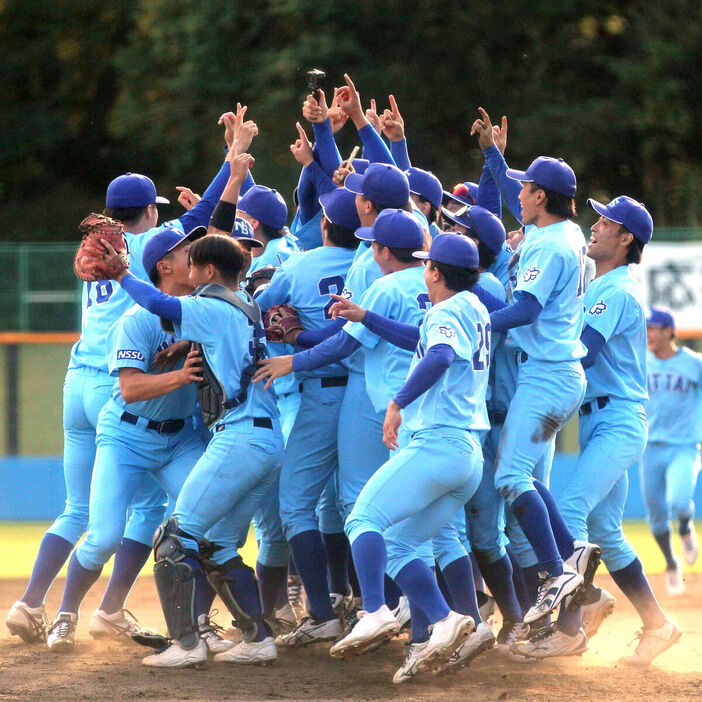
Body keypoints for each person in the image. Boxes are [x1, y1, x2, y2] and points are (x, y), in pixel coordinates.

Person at [5, 119, 236, 643]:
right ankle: (106, 608)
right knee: (150, 506)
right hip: (120, 384)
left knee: (77, 509)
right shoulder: (150, 245)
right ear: (150, 212)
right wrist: (232, 157)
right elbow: (201, 217)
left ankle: (32, 602)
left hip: (77, 381)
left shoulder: (101, 250)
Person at [514, 196, 682, 666]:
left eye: (606, 221)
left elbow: (582, 354)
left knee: (570, 509)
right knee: (606, 530)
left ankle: (569, 628)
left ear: (626, 239)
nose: (595, 224)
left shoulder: (616, 289)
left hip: (618, 418)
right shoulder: (602, 281)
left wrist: (526, 334)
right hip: (601, 417)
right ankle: (658, 626)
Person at [324, 233, 491, 679]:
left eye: (427, 264)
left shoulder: (445, 311)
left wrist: (398, 401)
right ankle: (446, 618)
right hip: (467, 455)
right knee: (399, 546)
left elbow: (436, 354)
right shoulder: (472, 308)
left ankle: (375, 610)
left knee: (361, 519)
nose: (424, 269)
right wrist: (367, 317)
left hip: (438, 444)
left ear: (435, 272)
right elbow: (421, 338)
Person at [45, 226, 215, 652]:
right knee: (102, 535)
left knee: (209, 522)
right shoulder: (135, 320)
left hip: (181, 440)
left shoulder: (200, 309)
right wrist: (181, 373)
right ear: (164, 266)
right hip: (127, 435)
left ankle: (196, 623)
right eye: (185, 250)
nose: (193, 254)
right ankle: (67, 615)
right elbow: (130, 389)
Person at [475, 156, 590, 624]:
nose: (517, 194)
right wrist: (494, 159)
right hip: (554, 370)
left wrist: (475, 322)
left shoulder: (551, 244)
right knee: (527, 480)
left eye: (524, 188)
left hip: (546, 371)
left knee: (510, 478)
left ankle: (556, 570)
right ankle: (573, 558)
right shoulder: (565, 235)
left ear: (541, 197)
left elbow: (523, 310)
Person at [253, 185, 361, 647]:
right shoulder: (369, 266)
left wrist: (262, 286)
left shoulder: (300, 265)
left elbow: (261, 308)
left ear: (323, 225)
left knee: (296, 504)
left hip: (316, 396)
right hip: (364, 395)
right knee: (359, 507)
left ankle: (322, 611)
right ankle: (379, 607)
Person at [642, 306, 702, 594]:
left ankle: (686, 528)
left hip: (684, 446)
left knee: (678, 501)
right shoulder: (641, 362)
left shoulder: (694, 364)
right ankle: (670, 563)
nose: (648, 333)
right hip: (650, 448)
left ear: (669, 331)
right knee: (655, 516)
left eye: (653, 328)